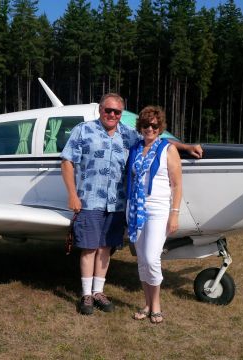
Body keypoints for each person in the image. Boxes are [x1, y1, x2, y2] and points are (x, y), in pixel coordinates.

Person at [60, 94, 201, 315]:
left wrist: (185, 146)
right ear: (100, 110)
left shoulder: (127, 133)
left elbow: (154, 138)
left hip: (117, 203)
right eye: (108, 110)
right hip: (89, 199)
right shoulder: (83, 130)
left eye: (117, 112)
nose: (112, 115)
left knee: (106, 248)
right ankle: (86, 294)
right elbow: (67, 161)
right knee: (89, 248)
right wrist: (72, 195)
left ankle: (99, 291)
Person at [126, 105, 182, 324]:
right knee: (141, 259)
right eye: (146, 125)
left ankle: (156, 304)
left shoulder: (168, 149)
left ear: (160, 128)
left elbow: (177, 186)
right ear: (140, 127)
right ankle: (146, 303)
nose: (149, 128)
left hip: (158, 209)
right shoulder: (135, 148)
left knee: (151, 257)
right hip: (135, 209)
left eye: (154, 125)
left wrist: (174, 214)